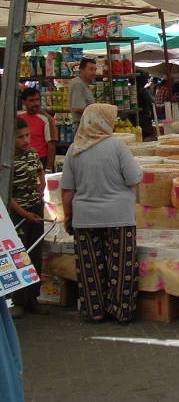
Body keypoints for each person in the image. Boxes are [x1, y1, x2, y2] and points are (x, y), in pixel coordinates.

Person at [60, 104, 142, 323]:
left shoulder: (74, 149)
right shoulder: (117, 146)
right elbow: (133, 179)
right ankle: (121, 311)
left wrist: (67, 216)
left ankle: (95, 311)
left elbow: (67, 191)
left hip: (85, 217)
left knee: (90, 268)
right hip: (118, 216)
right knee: (121, 266)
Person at [9, 117, 48, 319]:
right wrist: (25, 214)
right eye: (20, 137)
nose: (25, 140)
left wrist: (42, 188)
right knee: (20, 255)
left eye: (27, 136)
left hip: (36, 208)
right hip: (18, 213)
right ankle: (19, 300)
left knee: (36, 254)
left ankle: (33, 297)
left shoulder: (33, 153)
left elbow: (41, 171)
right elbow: (6, 195)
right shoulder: (6, 159)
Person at [18, 87, 58, 171]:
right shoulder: (19, 117)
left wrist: (48, 168)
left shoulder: (47, 119)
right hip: (21, 160)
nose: (36, 103)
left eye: (37, 100)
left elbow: (51, 145)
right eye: (31, 100)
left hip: (40, 160)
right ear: (24, 102)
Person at [69, 57, 97, 127]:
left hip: (86, 126)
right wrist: (98, 112)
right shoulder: (78, 84)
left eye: (95, 70)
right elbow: (77, 108)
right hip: (82, 127)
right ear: (82, 70)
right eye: (91, 69)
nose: (94, 73)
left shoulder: (84, 84)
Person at [135, 71, 154, 140]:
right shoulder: (143, 91)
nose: (147, 80)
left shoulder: (135, 89)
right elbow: (151, 103)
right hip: (144, 118)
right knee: (146, 138)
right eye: (146, 78)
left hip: (135, 118)